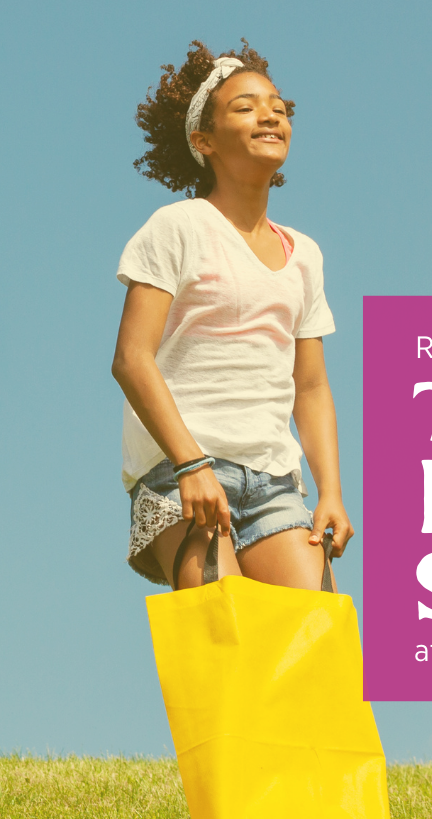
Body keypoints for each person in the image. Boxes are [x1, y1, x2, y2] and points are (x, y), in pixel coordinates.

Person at [113, 41, 353, 591]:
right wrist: (190, 464)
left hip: (275, 481)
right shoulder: (178, 226)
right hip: (181, 470)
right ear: (204, 141)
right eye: (245, 107)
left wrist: (331, 492)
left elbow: (311, 386)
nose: (269, 115)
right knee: (221, 631)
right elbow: (131, 359)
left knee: (316, 632)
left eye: (278, 107)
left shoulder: (305, 254)